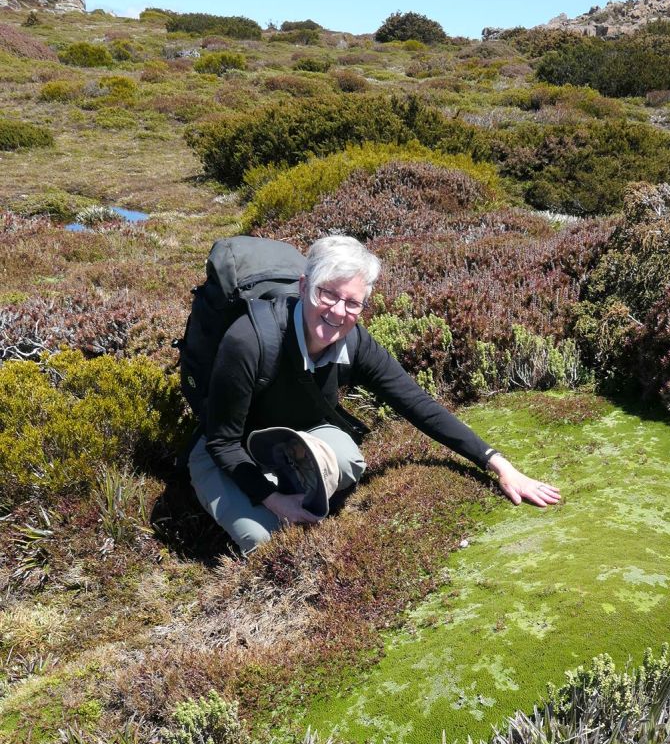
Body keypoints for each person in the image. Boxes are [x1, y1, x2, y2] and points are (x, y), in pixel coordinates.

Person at [189, 233, 561, 552]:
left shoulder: (354, 343)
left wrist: (499, 465)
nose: (338, 311)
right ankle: (252, 494)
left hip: (295, 435)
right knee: (263, 537)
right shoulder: (250, 340)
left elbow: (417, 404)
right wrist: (273, 500)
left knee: (349, 460)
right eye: (327, 294)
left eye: (353, 302)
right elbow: (223, 442)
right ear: (304, 287)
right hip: (226, 448)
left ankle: (284, 482)